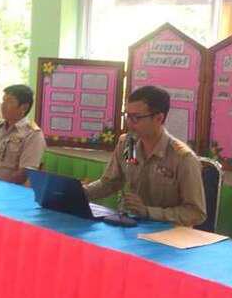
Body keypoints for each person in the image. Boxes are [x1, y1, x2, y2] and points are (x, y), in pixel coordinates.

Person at [83, 85, 206, 226]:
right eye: (128, 116)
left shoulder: (182, 158)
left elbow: (196, 213)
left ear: (159, 118)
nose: (129, 123)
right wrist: (80, 193)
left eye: (136, 118)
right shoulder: (129, 144)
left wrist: (148, 212)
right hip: (132, 226)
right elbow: (111, 182)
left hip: (169, 233)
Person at [0, 84, 46, 185]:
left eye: (9, 102)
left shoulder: (33, 135)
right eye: (3, 100)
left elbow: (24, 173)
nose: (3, 105)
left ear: (24, 107)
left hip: (7, 190)